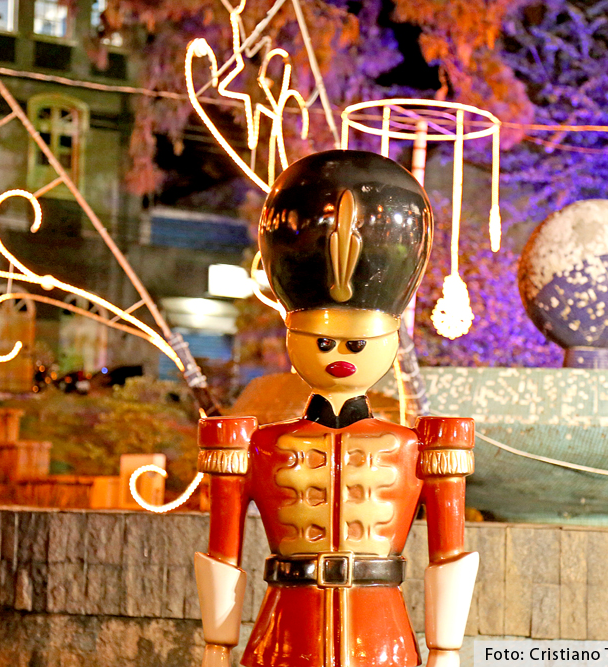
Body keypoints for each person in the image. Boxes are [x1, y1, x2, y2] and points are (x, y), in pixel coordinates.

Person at [195, 150, 478, 667]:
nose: (341, 357)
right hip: (283, 636)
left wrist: (446, 651)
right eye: (323, 343)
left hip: (384, 642)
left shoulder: (419, 446)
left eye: (355, 344)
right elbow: (223, 551)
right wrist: (217, 647)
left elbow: (449, 553)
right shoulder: (256, 445)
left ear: (388, 341)